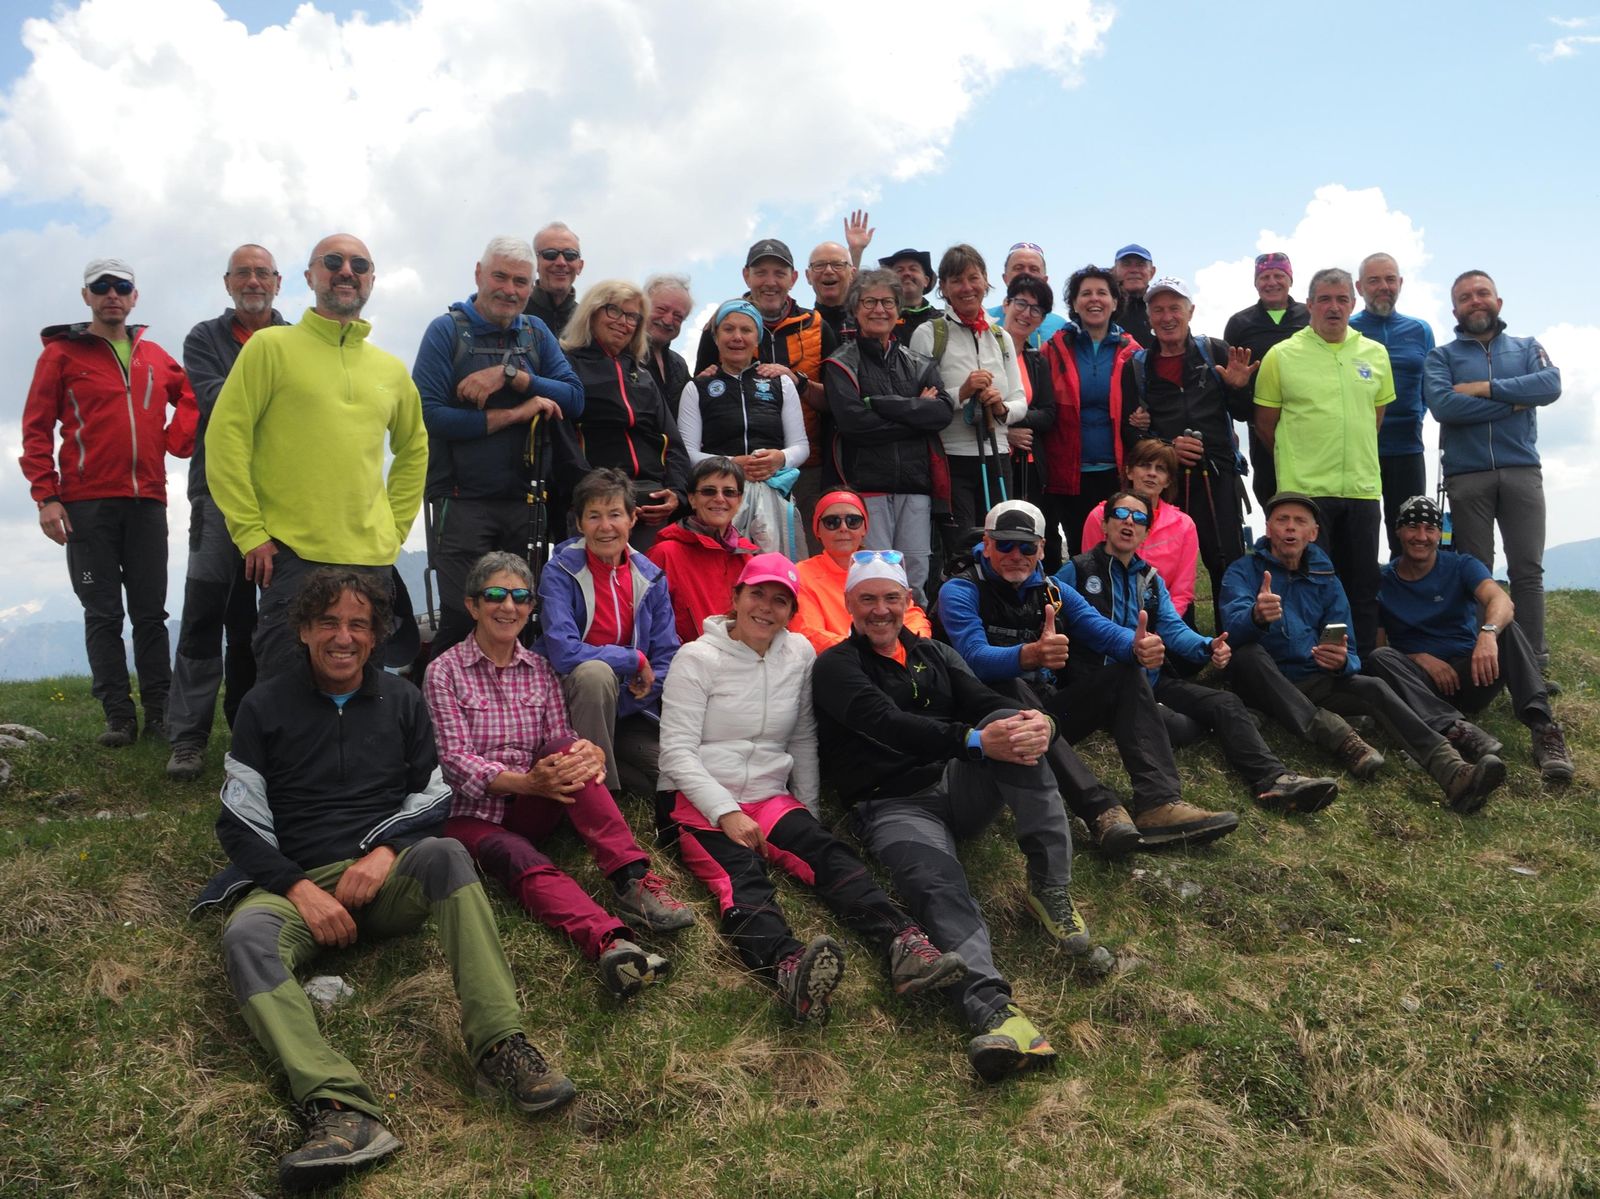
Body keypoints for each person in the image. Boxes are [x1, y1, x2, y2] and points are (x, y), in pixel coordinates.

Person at [200, 569, 574, 1192]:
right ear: (303, 631)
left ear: (376, 637)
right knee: (245, 937)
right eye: (328, 623)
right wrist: (299, 889)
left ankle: (500, 1048)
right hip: (299, 885)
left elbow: (435, 794)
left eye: (358, 625)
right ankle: (342, 1111)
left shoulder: (403, 700)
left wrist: (383, 852)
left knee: (449, 854)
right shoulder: (263, 705)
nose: (343, 637)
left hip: (390, 875)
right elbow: (238, 820)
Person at [658, 552, 965, 1023]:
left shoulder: (799, 652)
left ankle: (905, 945)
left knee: (831, 855)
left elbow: (802, 737)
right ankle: (788, 968)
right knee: (741, 878)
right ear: (736, 597)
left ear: (793, 610)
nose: (766, 607)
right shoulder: (696, 657)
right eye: (756, 594)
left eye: (780, 600)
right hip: (698, 803)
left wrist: (808, 815)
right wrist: (725, 812)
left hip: (769, 796)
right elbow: (677, 753)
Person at [813, 551, 1075, 1082]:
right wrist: (974, 741)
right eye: (869, 599)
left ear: (908, 602)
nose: (881, 610)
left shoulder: (933, 652)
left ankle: (1050, 887)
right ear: (850, 607)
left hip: (957, 784)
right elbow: (885, 723)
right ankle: (993, 1010)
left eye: (892, 598)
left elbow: (981, 700)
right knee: (940, 887)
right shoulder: (835, 667)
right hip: (893, 804)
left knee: (1012, 719)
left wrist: (1040, 723)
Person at [425, 550, 692, 999]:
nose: (507, 606)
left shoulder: (540, 671)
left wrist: (586, 754)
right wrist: (527, 782)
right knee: (521, 859)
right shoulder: (443, 673)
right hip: (475, 816)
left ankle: (631, 878)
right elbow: (455, 761)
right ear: (472, 605)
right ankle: (613, 943)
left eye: (520, 597)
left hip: (538, 799)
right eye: (494, 594)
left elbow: (558, 736)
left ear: (531, 608)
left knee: (571, 749)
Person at [939, 499, 1240, 849]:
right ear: (986, 544)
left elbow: (1102, 630)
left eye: (1026, 546)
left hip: (1045, 711)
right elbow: (973, 658)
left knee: (1125, 673)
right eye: (1004, 544)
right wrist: (1030, 654)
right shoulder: (960, 590)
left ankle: (1159, 804)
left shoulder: (1053, 590)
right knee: (1011, 687)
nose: (1015, 554)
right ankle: (1100, 811)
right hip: (984, 719)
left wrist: (1137, 646)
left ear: (1040, 549)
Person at [207, 233, 426, 678]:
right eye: (333, 261)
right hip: (291, 554)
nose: (347, 271)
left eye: (359, 265)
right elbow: (226, 439)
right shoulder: (269, 348)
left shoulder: (391, 370)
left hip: (373, 559)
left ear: (371, 280)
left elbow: (415, 448)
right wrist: (249, 531)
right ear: (310, 276)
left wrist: (395, 527)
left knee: (366, 691)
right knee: (288, 688)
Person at [1218, 492, 1506, 812]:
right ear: (1268, 528)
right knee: (1249, 655)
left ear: (1313, 533)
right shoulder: (1243, 571)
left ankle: (1453, 771)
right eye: (1282, 520)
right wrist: (1256, 616)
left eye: (1300, 522)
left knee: (1373, 687)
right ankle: (1339, 736)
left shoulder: (1326, 578)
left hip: (1313, 679)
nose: (1290, 528)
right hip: (1263, 680)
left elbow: (1351, 649)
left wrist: (1342, 662)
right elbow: (1231, 631)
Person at [1063, 491, 1338, 811]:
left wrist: (1208, 646)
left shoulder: (1150, 579)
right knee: (1179, 727)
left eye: (1139, 518)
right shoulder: (1077, 571)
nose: (1129, 522)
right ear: (1105, 525)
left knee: (1226, 703)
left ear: (1146, 532)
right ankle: (1233, 733)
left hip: (1151, 679)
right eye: (1121, 515)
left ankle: (1274, 780)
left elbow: (1172, 628)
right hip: (1105, 687)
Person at [20, 257, 197, 746]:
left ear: (135, 297)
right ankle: (118, 716)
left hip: (147, 503)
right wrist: (46, 497)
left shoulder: (155, 355)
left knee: (150, 614)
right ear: (87, 297)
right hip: (85, 504)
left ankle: (160, 712)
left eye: (122, 286)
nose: (112, 294)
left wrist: (173, 439)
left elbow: (193, 397)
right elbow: (35, 429)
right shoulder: (60, 355)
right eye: (102, 287)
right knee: (102, 613)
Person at [412, 236, 585, 656]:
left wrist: (511, 376)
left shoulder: (536, 332)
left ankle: (509, 716)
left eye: (520, 282)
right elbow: (429, 416)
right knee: (461, 615)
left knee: (518, 616)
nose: (509, 290)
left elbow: (574, 398)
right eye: (500, 277)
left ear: (531, 286)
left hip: (526, 503)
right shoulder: (445, 331)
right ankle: (437, 714)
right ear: (478, 274)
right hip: (460, 500)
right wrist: (515, 412)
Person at [165, 246, 286, 777]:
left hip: (284, 497)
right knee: (205, 613)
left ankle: (256, 734)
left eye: (262, 273)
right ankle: (187, 739)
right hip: (217, 494)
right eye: (244, 273)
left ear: (279, 282)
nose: (253, 280)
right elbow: (218, 402)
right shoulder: (202, 338)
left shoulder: (295, 337)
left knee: (273, 621)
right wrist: (280, 402)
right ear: (228, 282)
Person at [1369, 495, 1573, 784]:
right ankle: (1459, 731)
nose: (1421, 536)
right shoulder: (1383, 580)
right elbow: (1378, 648)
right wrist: (1420, 659)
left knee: (1509, 629)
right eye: (1413, 527)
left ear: (1440, 533)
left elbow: (1500, 599)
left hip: (1473, 672)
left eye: (1430, 528)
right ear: (1399, 531)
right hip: (1421, 686)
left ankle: (1544, 729)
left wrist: (1488, 634)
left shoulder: (1461, 565)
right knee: (1380, 660)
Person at [1254, 267, 1394, 658]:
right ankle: (1312, 667)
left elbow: (1374, 417)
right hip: (1307, 494)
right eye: (1326, 299)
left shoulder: (1375, 354)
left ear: (1353, 304)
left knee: (1363, 584)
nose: (1334, 307)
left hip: (1362, 490)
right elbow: (1267, 426)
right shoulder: (1281, 356)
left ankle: (1363, 668)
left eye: (1342, 299)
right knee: (1311, 585)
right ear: (1309, 304)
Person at [1424, 270, 1561, 669]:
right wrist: (1518, 400)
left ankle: (1533, 661)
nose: (1475, 301)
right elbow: (1444, 407)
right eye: (1466, 297)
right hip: (1466, 476)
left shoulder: (1526, 347)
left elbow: (1550, 385)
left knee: (1527, 570)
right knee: (1475, 570)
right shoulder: (1442, 357)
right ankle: (1482, 655)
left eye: (1483, 293)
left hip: (1521, 469)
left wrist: (1485, 388)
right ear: (1455, 309)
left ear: (1498, 302)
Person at [1119, 276, 1255, 618]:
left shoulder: (1216, 351)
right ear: (1148, 317)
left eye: (1175, 308)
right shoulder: (1136, 367)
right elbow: (1131, 433)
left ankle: (1234, 640)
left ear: (1190, 311)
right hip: (1165, 480)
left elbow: (1242, 412)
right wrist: (1168, 448)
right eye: (1158, 309)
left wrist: (1239, 388)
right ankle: (1177, 640)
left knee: (1226, 558)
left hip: (1218, 473)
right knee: (1165, 562)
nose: (1167, 317)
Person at [538, 469, 680, 797]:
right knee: (595, 674)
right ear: (579, 523)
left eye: (615, 514)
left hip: (629, 706)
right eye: (594, 516)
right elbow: (563, 652)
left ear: (632, 518)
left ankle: (604, 772)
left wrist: (628, 699)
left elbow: (667, 654)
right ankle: (600, 800)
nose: (605, 527)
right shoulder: (560, 571)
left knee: (662, 779)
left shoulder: (651, 576)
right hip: (571, 697)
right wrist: (632, 658)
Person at [693, 239, 840, 549]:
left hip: (806, 465)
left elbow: (837, 401)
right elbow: (705, 390)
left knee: (800, 557)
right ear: (746, 275)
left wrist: (796, 381)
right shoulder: (720, 326)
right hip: (730, 476)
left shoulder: (816, 325)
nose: (770, 282)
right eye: (761, 272)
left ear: (794, 278)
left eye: (779, 272)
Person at [822, 269, 953, 602]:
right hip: (868, 487)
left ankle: (917, 647)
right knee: (874, 578)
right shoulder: (841, 363)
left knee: (915, 580)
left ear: (898, 310)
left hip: (916, 486)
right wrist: (914, 414)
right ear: (855, 308)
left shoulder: (919, 362)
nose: (878, 309)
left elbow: (940, 413)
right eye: (869, 302)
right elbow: (854, 425)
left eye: (887, 302)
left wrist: (881, 404)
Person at [909, 244, 1026, 562]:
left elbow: (1019, 400)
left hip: (998, 455)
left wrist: (1000, 407)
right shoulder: (929, 333)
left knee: (1002, 546)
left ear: (986, 282)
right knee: (962, 549)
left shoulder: (1001, 336)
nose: (967, 288)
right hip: (951, 459)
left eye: (973, 278)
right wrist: (962, 393)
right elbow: (918, 402)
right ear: (943, 288)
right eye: (956, 280)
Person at [561, 280, 689, 552]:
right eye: (614, 311)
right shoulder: (567, 365)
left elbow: (673, 441)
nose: (624, 322)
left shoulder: (642, 374)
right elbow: (562, 437)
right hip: (597, 503)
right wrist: (590, 489)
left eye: (632, 316)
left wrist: (677, 494)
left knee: (654, 589)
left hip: (650, 502)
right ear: (592, 312)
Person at [679, 298, 808, 556]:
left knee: (773, 573)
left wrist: (780, 458)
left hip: (773, 494)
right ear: (716, 337)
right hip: (720, 498)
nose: (737, 337)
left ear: (757, 338)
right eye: (728, 329)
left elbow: (801, 446)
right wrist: (731, 464)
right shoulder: (697, 387)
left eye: (746, 330)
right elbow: (687, 453)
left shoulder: (780, 383)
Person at [1037, 264, 1140, 568]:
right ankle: (1079, 614)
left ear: (1115, 302)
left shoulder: (1133, 351)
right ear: (1074, 304)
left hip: (1117, 472)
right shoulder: (1053, 349)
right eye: (1086, 294)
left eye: (1102, 293)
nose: (1094, 300)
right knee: (1081, 553)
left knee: (1119, 551)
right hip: (1069, 472)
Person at [1351, 254, 1437, 556]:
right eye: (1374, 280)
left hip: (1407, 448)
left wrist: (1416, 415)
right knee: (1360, 534)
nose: (1383, 286)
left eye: (1390, 279)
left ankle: (1407, 598)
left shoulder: (1420, 330)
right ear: (1360, 287)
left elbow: (1430, 385)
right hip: (1359, 450)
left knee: (1409, 532)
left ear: (1400, 283)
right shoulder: (1347, 330)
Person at [789, 490, 934, 653]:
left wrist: (890, 650)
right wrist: (873, 651)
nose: (843, 528)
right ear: (817, 530)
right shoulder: (801, 574)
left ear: (865, 528)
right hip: (837, 665)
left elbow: (915, 620)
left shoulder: (884, 566)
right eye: (832, 522)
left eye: (853, 521)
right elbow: (808, 633)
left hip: (891, 659)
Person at [1081, 439, 1200, 622]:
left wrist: (1161, 630)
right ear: (1129, 471)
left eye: (1160, 469)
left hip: (1164, 621)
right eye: (1144, 465)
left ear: (1168, 480)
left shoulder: (1185, 525)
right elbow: (1089, 575)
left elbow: (1182, 593)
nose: (1151, 473)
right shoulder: (1100, 516)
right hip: (1108, 620)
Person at [646, 456, 760, 643]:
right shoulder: (665, 553)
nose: (719, 499)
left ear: (739, 500)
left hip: (741, 661)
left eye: (729, 492)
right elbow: (649, 624)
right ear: (692, 499)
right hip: (687, 663)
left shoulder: (747, 557)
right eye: (708, 491)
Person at [1225, 251, 1308, 508]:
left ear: (1290, 280)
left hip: (1308, 422)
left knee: (1310, 496)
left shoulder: (1310, 317)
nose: (1271, 282)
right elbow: (1232, 378)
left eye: (1279, 275)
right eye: (1264, 277)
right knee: (1270, 493)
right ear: (1255, 283)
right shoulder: (1240, 323)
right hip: (1261, 424)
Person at [997, 274, 1058, 507]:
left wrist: (1012, 418)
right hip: (991, 460)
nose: (1026, 314)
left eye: (1036, 310)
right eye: (1021, 304)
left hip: (1028, 464)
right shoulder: (982, 350)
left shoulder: (1037, 360)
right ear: (1006, 304)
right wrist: (1006, 432)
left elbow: (1048, 414)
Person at [985, 242, 1068, 348]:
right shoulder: (985, 320)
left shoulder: (1060, 326)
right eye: (1018, 268)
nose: (1026, 274)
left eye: (1034, 269)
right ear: (1005, 278)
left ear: (1045, 280)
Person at [806, 210, 874, 335]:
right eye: (819, 265)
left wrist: (856, 251)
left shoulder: (868, 325)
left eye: (837, 265)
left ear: (853, 274)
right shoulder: (800, 328)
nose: (828, 271)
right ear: (808, 276)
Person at [642, 273, 694, 419]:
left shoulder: (679, 365)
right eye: (661, 309)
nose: (668, 320)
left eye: (678, 316)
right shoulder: (621, 353)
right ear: (642, 305)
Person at [524, 221, 583, 336]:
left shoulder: (587, 322)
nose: (561, 262)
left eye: (570, 255)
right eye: (550, 254)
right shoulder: (514, 314)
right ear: (534, 263)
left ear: (580, 266)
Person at [878, 246, 939, 345]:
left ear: (926, 281)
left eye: (913, 269)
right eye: (899, 270)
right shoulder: (879, 317)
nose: (906, 273)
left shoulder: (941, 320)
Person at [1110, 243, 1155, 347]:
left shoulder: (1162, 309)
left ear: (1152, 272)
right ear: (1114, 271)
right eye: (1126, 264)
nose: (1134, 270)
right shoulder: (1104, 309)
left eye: (1140, 264)